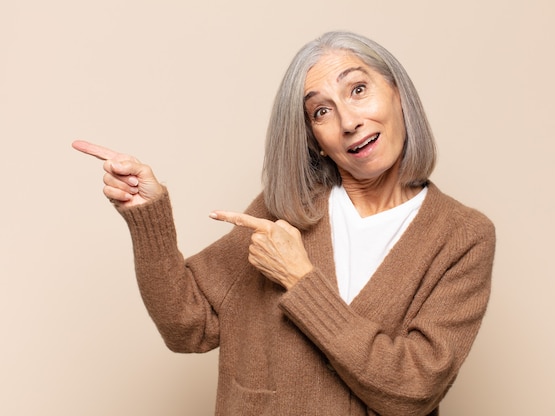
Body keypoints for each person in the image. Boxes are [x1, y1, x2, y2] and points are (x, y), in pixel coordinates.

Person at [73, 31, 496, 416]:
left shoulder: (462, 235)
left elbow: (415, 389)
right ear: (315, 140)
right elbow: (187, 327)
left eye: (359, 90)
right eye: (322, 111)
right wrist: (149, 216)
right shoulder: (284, 211)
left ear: (398, 94)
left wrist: (300, 280)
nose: (349, 121)